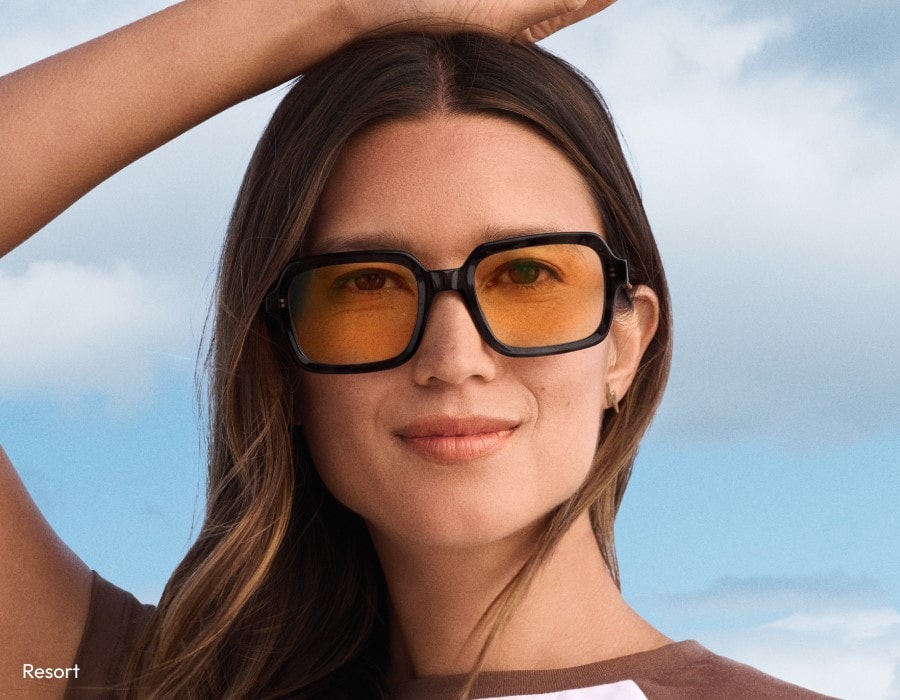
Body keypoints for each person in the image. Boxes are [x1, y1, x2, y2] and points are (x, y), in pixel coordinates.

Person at [0, 1, 837, 698]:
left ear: (626, 344)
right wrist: (332, 10)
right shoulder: (149, 684)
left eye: (527, 273)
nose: (453, 355)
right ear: (278, 365)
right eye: (368, 284)